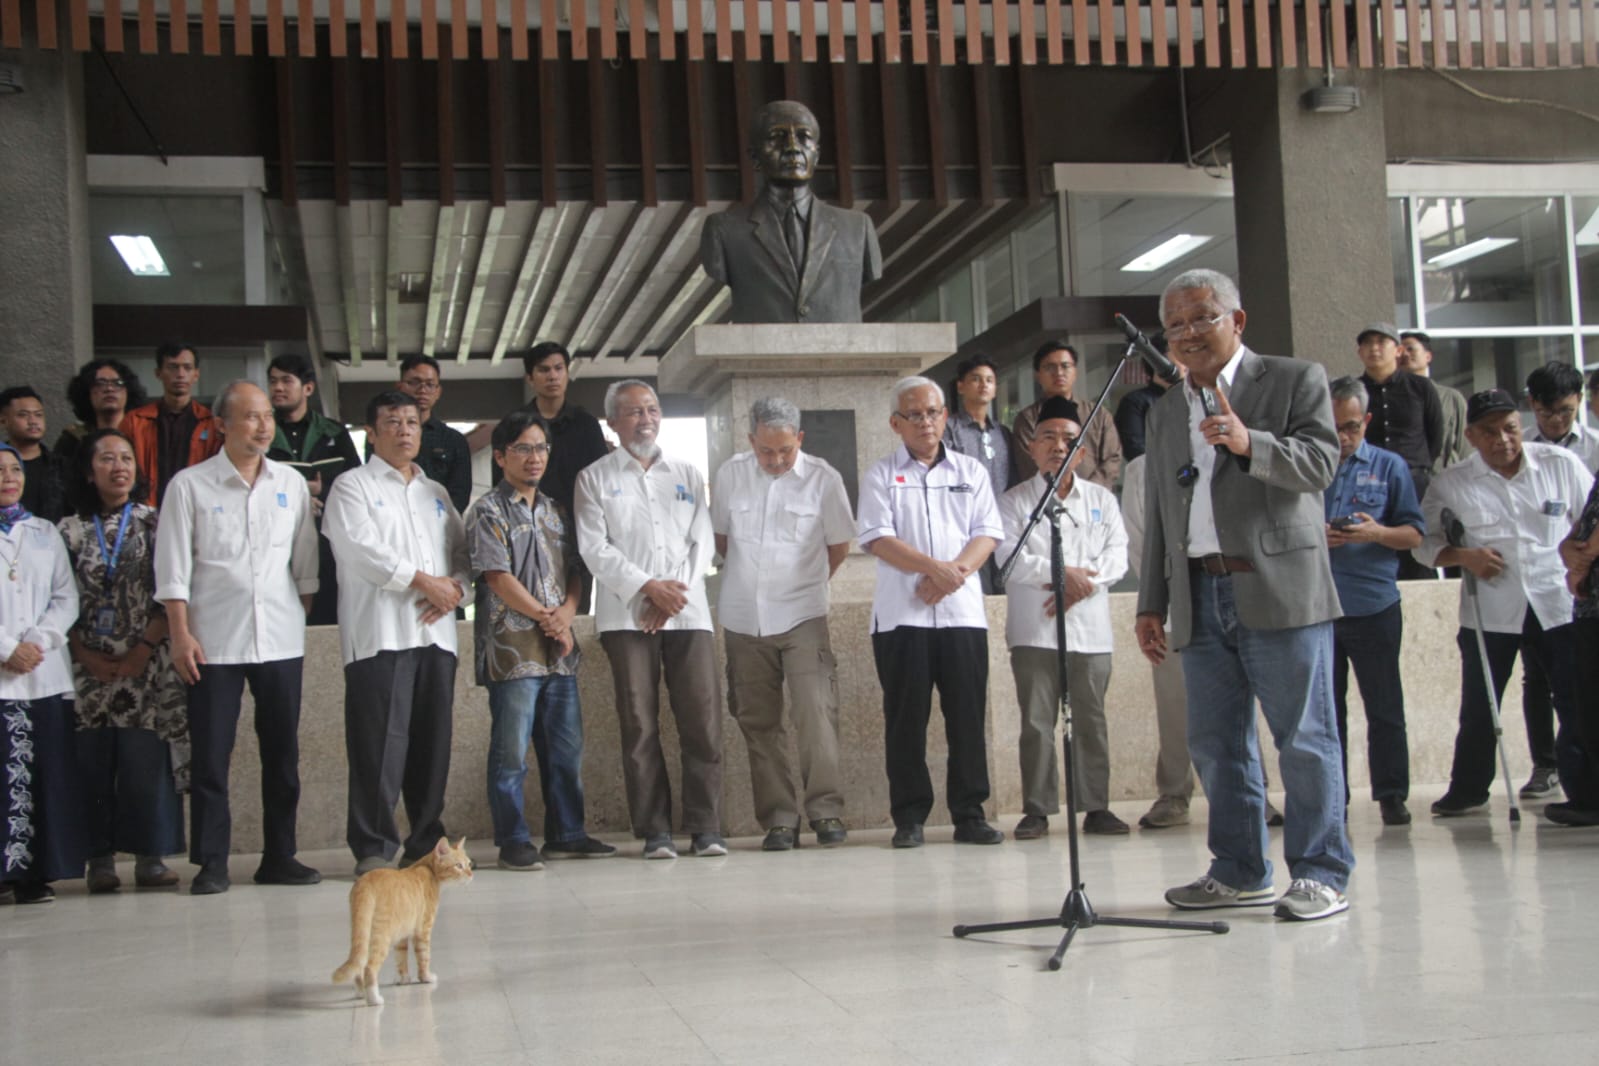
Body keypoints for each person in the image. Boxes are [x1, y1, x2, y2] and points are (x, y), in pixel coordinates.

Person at [1135, 268, 1353, 922]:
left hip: (1279, 590)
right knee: (1215, 744)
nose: (1187, 333)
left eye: (1201, 317)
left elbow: (1319, 464)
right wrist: (1152, 601)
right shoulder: (1166, 407)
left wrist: (1246, 441)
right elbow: (1160, 512)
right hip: (1198, 594)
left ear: (1237, 319)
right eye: (1174, 325)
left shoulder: (1292, 379)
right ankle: (1238, 868)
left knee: (1304, 740)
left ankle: (1320, 874)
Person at [154, 381, 321, 895]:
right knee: (210, 757)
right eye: (250, 417)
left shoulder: (290, 483)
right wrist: (180, 636)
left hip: (279, 640)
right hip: (212, 643)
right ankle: (211, 864)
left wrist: (295, 617)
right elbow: (173, 569)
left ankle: (280, 856)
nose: (263, 425)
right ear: (221, 425)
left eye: (268, 415)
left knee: (282, 755)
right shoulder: (190, 485)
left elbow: (305, 566)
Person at [1415, 389, 1595, 818]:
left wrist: (1580, 556)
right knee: (1480, 705)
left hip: (1558, 605)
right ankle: (1469, 790)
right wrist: (1463, 557)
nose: (1504, 440)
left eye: (1510, 429)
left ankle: (1586, 793)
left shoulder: (1560, 465)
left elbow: (1591, 517)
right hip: (1491, 609)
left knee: (1576, 702)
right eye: (1491, 432)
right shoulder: (1451, 481)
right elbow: (1423, 541)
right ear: (1472, 436)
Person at [575, 380, 725, 859]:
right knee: (638, 722)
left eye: (653, 409)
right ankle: (655, 829)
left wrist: (670, 593)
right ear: (613, 423)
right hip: (626, 617)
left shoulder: (685, 471)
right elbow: (594, 548)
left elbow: (701, 540)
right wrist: (647, 588)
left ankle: (706, 827)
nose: (645, 419)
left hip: (688, 613)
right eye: (634, 412)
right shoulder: (594, 478)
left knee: (701, 718)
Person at [323, 390, 469, 877]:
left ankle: (426, 841)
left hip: (437, 638)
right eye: (393, 422)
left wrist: (456, 591)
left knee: (432, 745)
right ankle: (374, 846)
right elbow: (359, 549)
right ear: (371, 431)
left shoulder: (436, 493)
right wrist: (424, 581)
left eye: (412, 422)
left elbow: (463, 559)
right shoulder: (352, 487)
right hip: (379, 636)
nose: (405, 430)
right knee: (378, 746)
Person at [857, 375, 1005, 849]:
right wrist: (933, 569)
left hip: (961, 614)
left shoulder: (970, 471)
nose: (926, 422)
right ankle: (910, 816)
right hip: (903, 616)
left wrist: (953, 574)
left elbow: (987, 533)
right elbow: (878, 538)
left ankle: (970, 814)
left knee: (967, 716)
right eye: (914, 415)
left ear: (946, 416)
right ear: (895, 423)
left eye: (934, 412)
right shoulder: (881, 474)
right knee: (906, 719)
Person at [469, 410, 615, 868]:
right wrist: (546, 618)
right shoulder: (488, 510)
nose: (535, 458)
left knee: (566, 751)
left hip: (559, 654)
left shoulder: (556, 510)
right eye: (524, 449)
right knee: (511, 753)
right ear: (500, 456)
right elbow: (495, 575)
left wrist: (568, 614)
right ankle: (513, 840)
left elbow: (575, 571)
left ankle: (567, 833)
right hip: (512, 653)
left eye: (541, 448)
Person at [711, 397, 855, 851]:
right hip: (741, 618)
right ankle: (779, 819)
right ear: (751, 440)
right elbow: (721, 539)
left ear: (800, 440)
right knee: (758, 722)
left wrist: (804, 584)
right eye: (765, 451)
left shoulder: (823, 480)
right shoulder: (731, 474)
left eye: (784, 451)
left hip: (802, 617)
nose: (775, 461)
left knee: (815, 715)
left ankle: (826, 812)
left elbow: (838, 546)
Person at [59, 429, 187, 892]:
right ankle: (98, 859)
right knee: (91, 762)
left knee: (145, 760)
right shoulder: (67, 530)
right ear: (89, 472)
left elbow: (173, 587)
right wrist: (81, 652)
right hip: (85, 665)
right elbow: (56, 597)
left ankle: (151, 856)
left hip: (147, 662)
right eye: (107, 459)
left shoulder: (157, 523)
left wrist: (144, 647)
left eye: (127, 458)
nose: (119, 467)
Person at [1001, 396, 1130, 838]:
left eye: (1068, 440)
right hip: (1034, 629)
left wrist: (1081, 585)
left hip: (1090, 631)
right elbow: (1010, 560)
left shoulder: (1102, 501)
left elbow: (1118, 558)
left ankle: (1096, 806)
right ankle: (1037, 809)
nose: (1058, 447)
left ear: (1083, 452)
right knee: (1036, 723)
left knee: (1091, 721)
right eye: (1048, 438)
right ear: (1032, 447)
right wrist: (1063, 576)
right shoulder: (1014, 502)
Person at [1323, 377, 1426, 827]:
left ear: (1365, 420)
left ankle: (1391, 795)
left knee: (1384, 706)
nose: (1343, 438)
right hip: (1321, 608)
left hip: (1374, 604)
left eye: (1350, 427)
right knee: (1327, 711)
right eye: (1333, 429)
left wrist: (1375, 533)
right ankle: (1332, 797)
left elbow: (1414, 536)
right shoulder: (1310, 467)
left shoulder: (1390, 467)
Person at [700, 99, 883, 324]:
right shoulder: (724, 230)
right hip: (762, 354)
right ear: (755, 157)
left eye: (804, 137)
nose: (793, 147)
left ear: (817, 154)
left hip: (840, 353)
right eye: (777, 137)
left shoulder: (858, 228)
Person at [0, 443, 85, 905]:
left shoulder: (43, 532)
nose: (9, 477)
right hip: (3, 670)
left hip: (43, 672)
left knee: (44, 773)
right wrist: (8, 648)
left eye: (15, 469)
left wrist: (39, 641)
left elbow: (65, 596)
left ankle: (38, 874)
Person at [1517, 360, 1599, 800]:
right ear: (1533, 405)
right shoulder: (1519, 447)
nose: (1557, 421)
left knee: (1580, 682)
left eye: (1566, 411)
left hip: (1586, 580)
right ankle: (1545, 764)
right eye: (1548, 412)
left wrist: (1582, 557)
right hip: (1545, 583)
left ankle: (1582, 771)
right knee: (1539, 678)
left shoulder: (1594, 448)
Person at [1121, 453, 1199, 829]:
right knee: (1174, 704)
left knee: (1240, 698)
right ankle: (1174, 793)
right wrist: (1158, 595)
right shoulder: (1142, 468)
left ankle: (1255, 792)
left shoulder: (1229, 446)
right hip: (1169, 601)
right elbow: (1138, 540)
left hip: (1228, 596)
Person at [268, 353, 361, 627]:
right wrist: (297, 496)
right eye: (273, 382)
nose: (278, 388)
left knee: (327, 624)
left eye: (286, 381)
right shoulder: (262, 434)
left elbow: (356, 485)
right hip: (277, 543)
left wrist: (325, 492)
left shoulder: (334, 433)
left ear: (308, 388)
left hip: (328, 546)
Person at [941, 354, 1019, 594]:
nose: (984, 384)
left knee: (1005, 593)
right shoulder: (949, 429)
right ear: (961, 386)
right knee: (975, 591)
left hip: (1002, 526)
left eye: (989, 380)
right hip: (967, 527)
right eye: (975, 379)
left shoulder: (1003, 432)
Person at [514, 342, 611, 517]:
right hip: (528, 523)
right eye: (543, 370)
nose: (552, 376)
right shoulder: (515, 425)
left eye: (558, 368)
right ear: (530, 378)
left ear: (567, 373)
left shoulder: (586, 424)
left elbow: (602, 477)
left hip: (579, 523)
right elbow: (503, 482)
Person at [120, 342, 223, 507]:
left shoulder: (211, 423)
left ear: (196, 374)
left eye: (187, 368)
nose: (180, 374)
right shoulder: (135, 421)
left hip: (195, 508)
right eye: (173, 367)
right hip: (145, 511)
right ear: (158, 373)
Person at [1012, 341, 1122, 488]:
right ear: (1037, 375)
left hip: (1092, 501)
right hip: (1044, 500)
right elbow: (1028, 465)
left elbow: (1112, 458)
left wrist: (1086, 492)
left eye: (1065, 366)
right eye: (1050, 367)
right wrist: (1058, 489)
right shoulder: (1027, 419)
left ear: (1075, 372)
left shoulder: (1098, 414)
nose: (1058, 372)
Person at [1553, 477, 1599, 826]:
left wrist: (1583, 561)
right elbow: (1584, 525)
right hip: (1589, 607)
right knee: (1588, 707)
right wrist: (1568, 550)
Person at [1356, 323, 1442, 499]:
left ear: (1398, 350)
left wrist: (1420, 467)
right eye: (1367, 343)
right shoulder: (1354, 391)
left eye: (1381, 342)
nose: (1374, 348)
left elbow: (1435, 434)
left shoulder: (1421, 387)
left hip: (1414, 478)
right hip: (1368, 478)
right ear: (1360, 353)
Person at [395, 355, 473, 514]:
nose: (422, 390)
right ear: (400, 386)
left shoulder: (453, 440)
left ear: (438, 391)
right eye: (414, 382)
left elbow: (460, 494)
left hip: (440, 525)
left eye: (430, 384)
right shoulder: (385, 436)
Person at [56, 358, 148, 476]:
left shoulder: (143, 434)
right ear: (87, 392)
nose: (109, 389)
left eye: (118, 383)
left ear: (128, 391)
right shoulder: (73, 439)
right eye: (100, 384)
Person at [1397, 331, 1470, 472]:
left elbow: (1465, 446)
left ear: (1428, 356)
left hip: (1444, 479)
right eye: (1400, 350)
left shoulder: (1451, 397)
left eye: (1411, 349)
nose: (1405, 354)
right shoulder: (1390, 399)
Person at [0, 386, 68, 522]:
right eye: (23, 415)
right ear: (3, 421)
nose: (33, 421)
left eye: (38, 415)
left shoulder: (63, 466)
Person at [1114, 347, 1182, 462]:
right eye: (1180, 358)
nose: (1186, 365)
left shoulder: (1193, 397)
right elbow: (1134, 448)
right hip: (1154, 472)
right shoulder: (1135, 401)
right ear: (1158, 362)